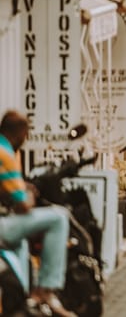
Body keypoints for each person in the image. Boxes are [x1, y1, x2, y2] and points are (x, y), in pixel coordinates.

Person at [0, 111, 76, 317]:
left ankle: (22, 301)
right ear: (20, 133)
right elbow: (24, 206)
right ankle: (46, 289)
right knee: (59, 217)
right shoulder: (5, 153)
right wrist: (30, 193)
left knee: (21, 241)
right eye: (26, 136)